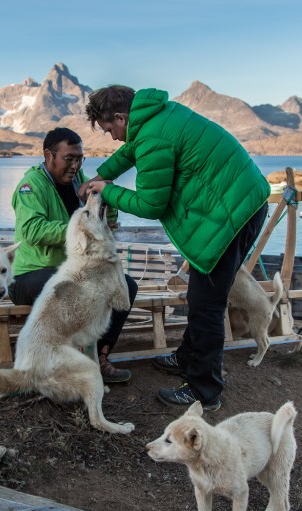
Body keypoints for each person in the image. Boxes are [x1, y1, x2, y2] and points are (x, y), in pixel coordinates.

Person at [83, 85, 269, 411]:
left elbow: (152, 204)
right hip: (240, 202)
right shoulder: (155, 118)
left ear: (121, 117)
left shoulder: (153, 137)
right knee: (201, 295)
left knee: (207, 303)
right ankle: (186, 358)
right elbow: (131, 151)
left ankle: (203, 390)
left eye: (110, 128)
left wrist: (108, 191)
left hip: (229, 214)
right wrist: (99, 175)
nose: (111, 137)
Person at [8, 127, 139, 383]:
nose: (75, 165)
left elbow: (102, 222)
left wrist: (107, 203)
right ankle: (56, 366)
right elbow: (31, 231)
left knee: (126, 285)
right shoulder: (30, 186)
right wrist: (79, 228)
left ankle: (100, 357)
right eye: (69, 158)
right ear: (49, 156)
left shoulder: (80, 180)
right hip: (30, 275)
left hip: (72, 271)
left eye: (80, 158)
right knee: (71, 288)